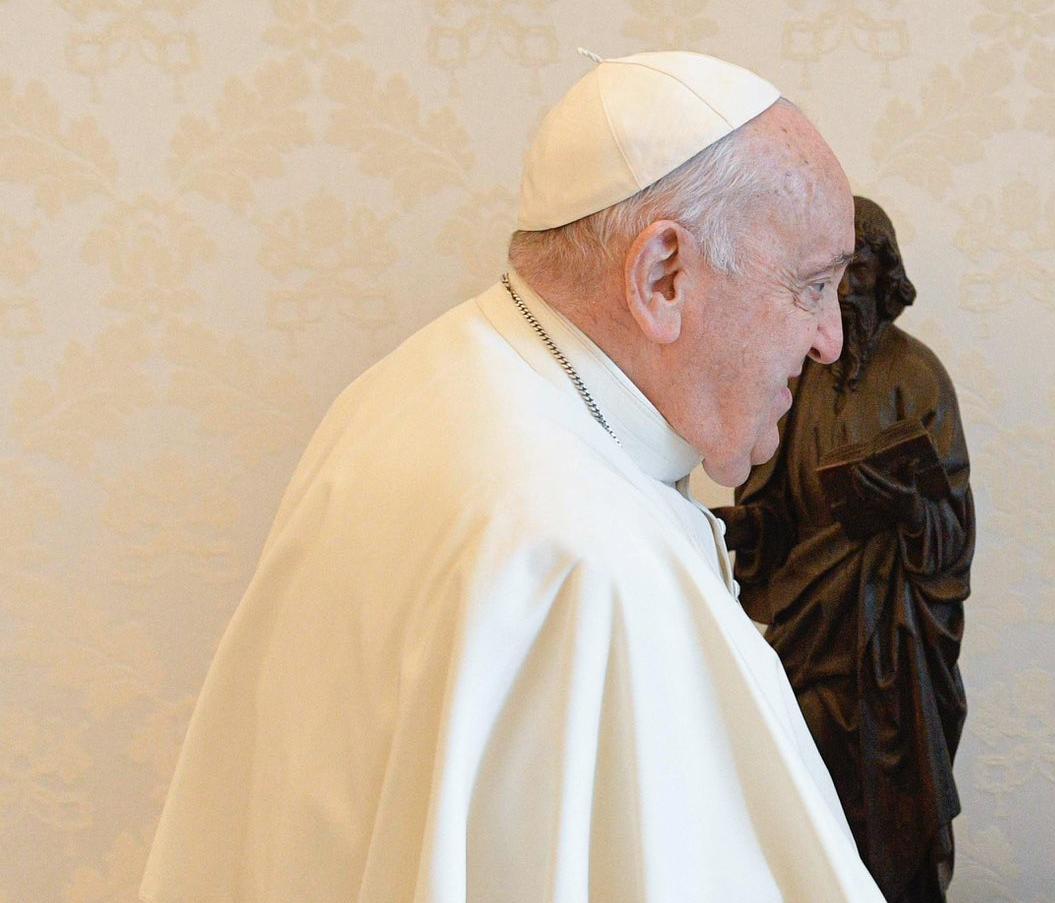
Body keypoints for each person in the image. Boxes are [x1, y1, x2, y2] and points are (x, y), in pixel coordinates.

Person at [142, 51, 885, 902]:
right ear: (663, 276)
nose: (830, 340)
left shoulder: (414, 383)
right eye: (812, 286)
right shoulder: (585, 559)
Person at [716, 196, 974, 903]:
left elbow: (952, 529)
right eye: (830, 278)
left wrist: (907, 510)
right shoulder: (795, 378)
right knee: (804, 805)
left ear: (886, 276)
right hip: (810, 635)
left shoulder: (917, 376)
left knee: (897, 817)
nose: (846, 294)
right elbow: (776, 510)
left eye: (859, 272)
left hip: (896, 644)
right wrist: (743, 527)